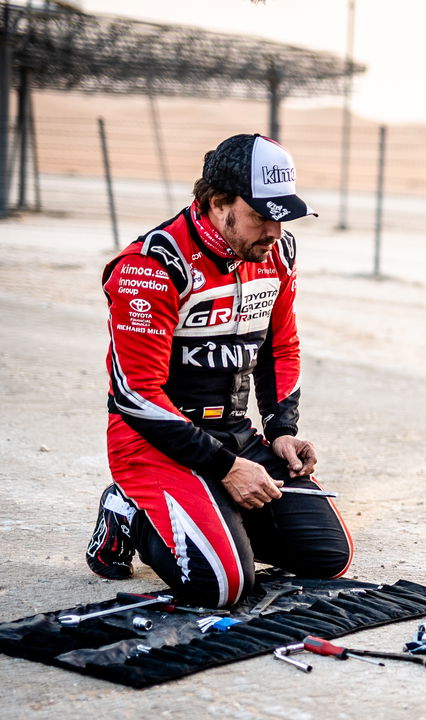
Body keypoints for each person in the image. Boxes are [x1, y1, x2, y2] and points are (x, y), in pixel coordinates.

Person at [85, 133, 353, 608]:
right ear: (217, 203)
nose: (275, 232)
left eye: (283, 217)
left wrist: (281, 430)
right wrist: (226, 468)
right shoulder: (152, 265)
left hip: (234, 436)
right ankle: (129, 510)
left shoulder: (277, 253)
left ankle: (214, 515)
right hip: (152, 445)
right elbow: (137, 395)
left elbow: (280, 346)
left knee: (328, 557)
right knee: (223, 587)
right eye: (261, 217)